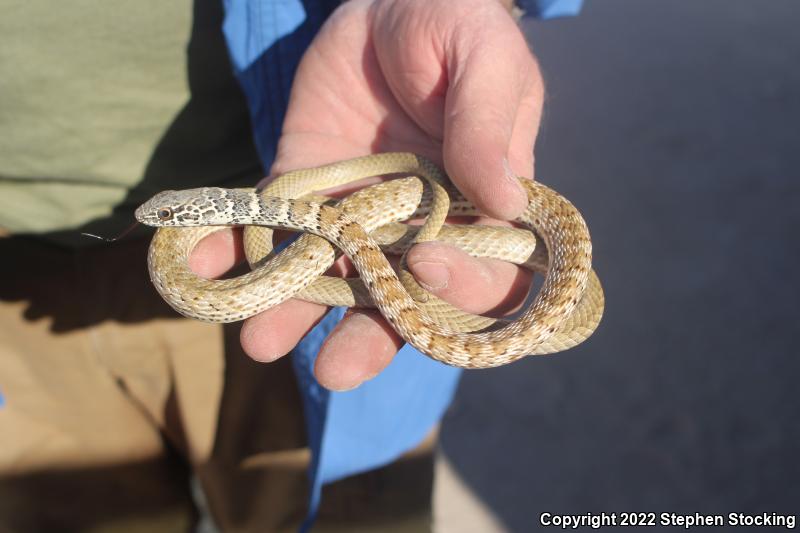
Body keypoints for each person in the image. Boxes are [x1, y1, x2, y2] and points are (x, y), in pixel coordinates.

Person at [0, 0, 579, 530]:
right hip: (19, 253)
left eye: (174, 214)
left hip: (276, 156)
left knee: (339, 505)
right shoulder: (245, 224)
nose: (166, 219)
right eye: (173, 216)